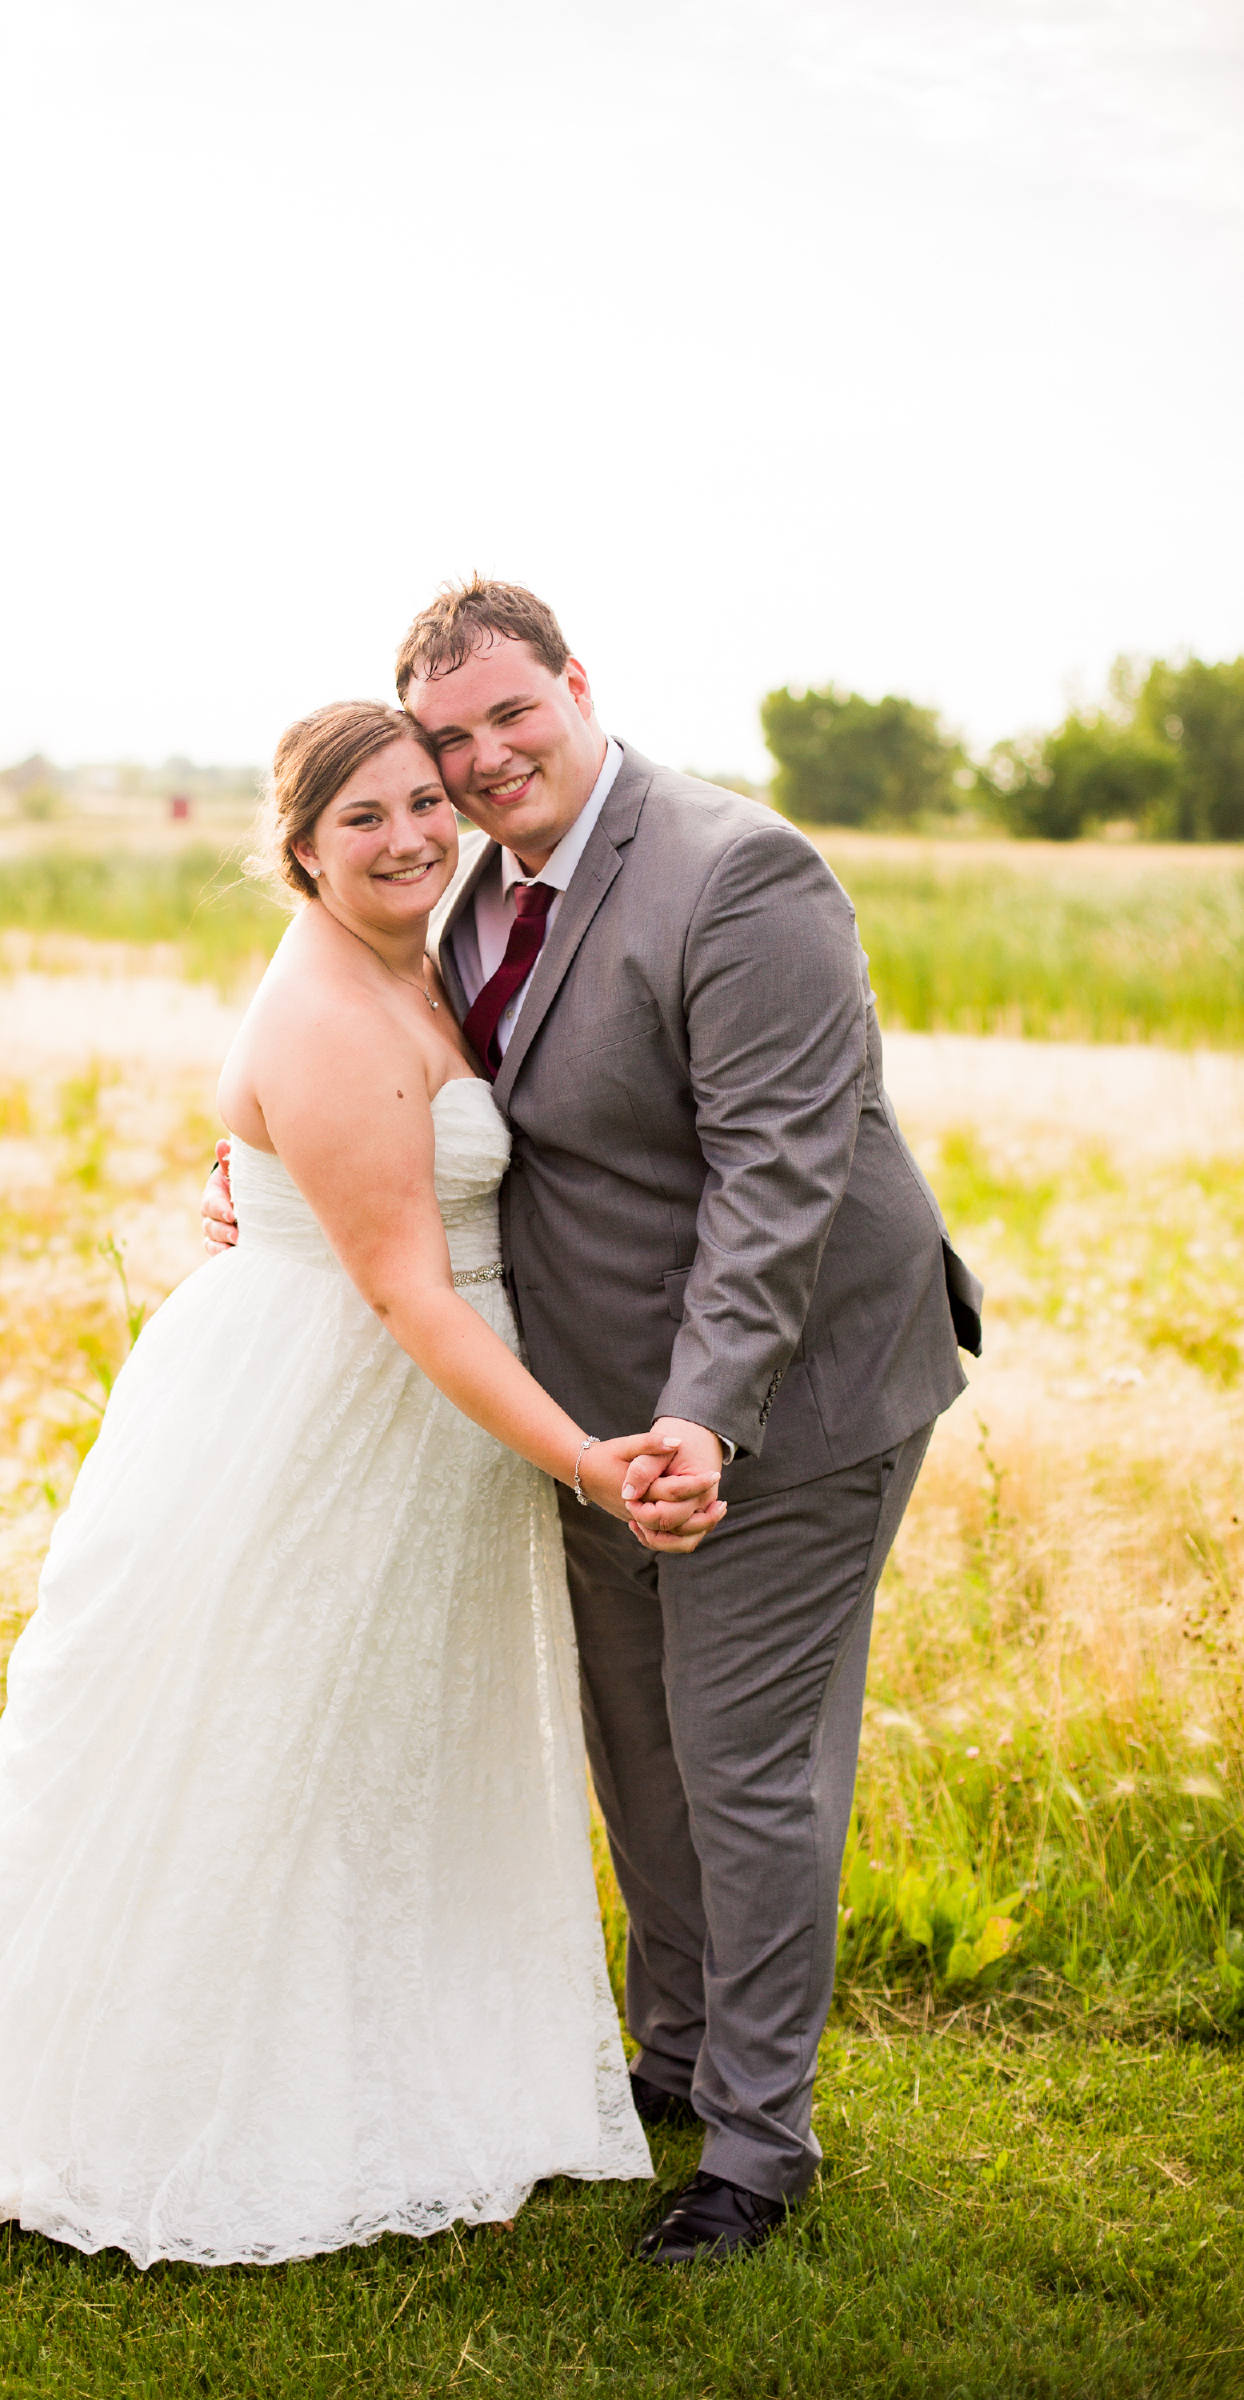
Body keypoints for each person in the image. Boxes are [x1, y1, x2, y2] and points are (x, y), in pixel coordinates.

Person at [0, 699, 712, 2268]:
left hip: (411, 1421)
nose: (414, 833)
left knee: (386, 1746)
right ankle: (184, 2102)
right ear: (298, 850)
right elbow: (411, 1293)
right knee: (265, 1743)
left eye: (428, 800)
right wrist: (587, 1460)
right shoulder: (336, 1012)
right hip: (336, 1414)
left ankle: (408, 2062)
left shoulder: (425, 949)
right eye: (366, 818)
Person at [205, 581, 983, 2267]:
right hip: (586, 1411)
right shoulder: (474, 883)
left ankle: (762, 2149)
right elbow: (412, 1093)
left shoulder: (737, 871)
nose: (482, 763)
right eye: (449, 742)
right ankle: (681, 2055)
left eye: (510, 718)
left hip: (786, 1399)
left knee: (745, 1764)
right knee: (642, 1756)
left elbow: (781, 1180)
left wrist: (702, 1420)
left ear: (577, 684)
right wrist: (265, 1183)